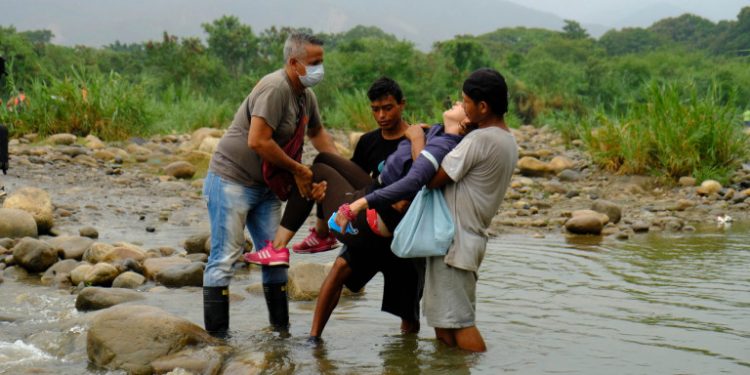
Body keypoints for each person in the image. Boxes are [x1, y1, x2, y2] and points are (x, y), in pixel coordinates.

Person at [202, 31, 339, 338]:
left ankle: (281, 335)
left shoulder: (306, 96)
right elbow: (258, 141)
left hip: (267, 188)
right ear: (294, 63)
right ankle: (217, 341)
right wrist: (300, 171)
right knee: (224, 257)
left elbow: (318, 136)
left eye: (321, 62)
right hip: (231, 180)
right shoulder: (275, 88)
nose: (320, 69)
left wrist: (342, 170)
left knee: (276, 259)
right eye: (315, 62)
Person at [422, 68, 518, 352]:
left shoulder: (480, 140)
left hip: (456, 244)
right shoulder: (505, 139)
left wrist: (418, 139)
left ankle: (478, 366)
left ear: (483, 107)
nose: (462, 107)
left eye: (465, 102)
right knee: (445, 325)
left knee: (460, 323)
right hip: (466, 240)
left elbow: (430, 177)